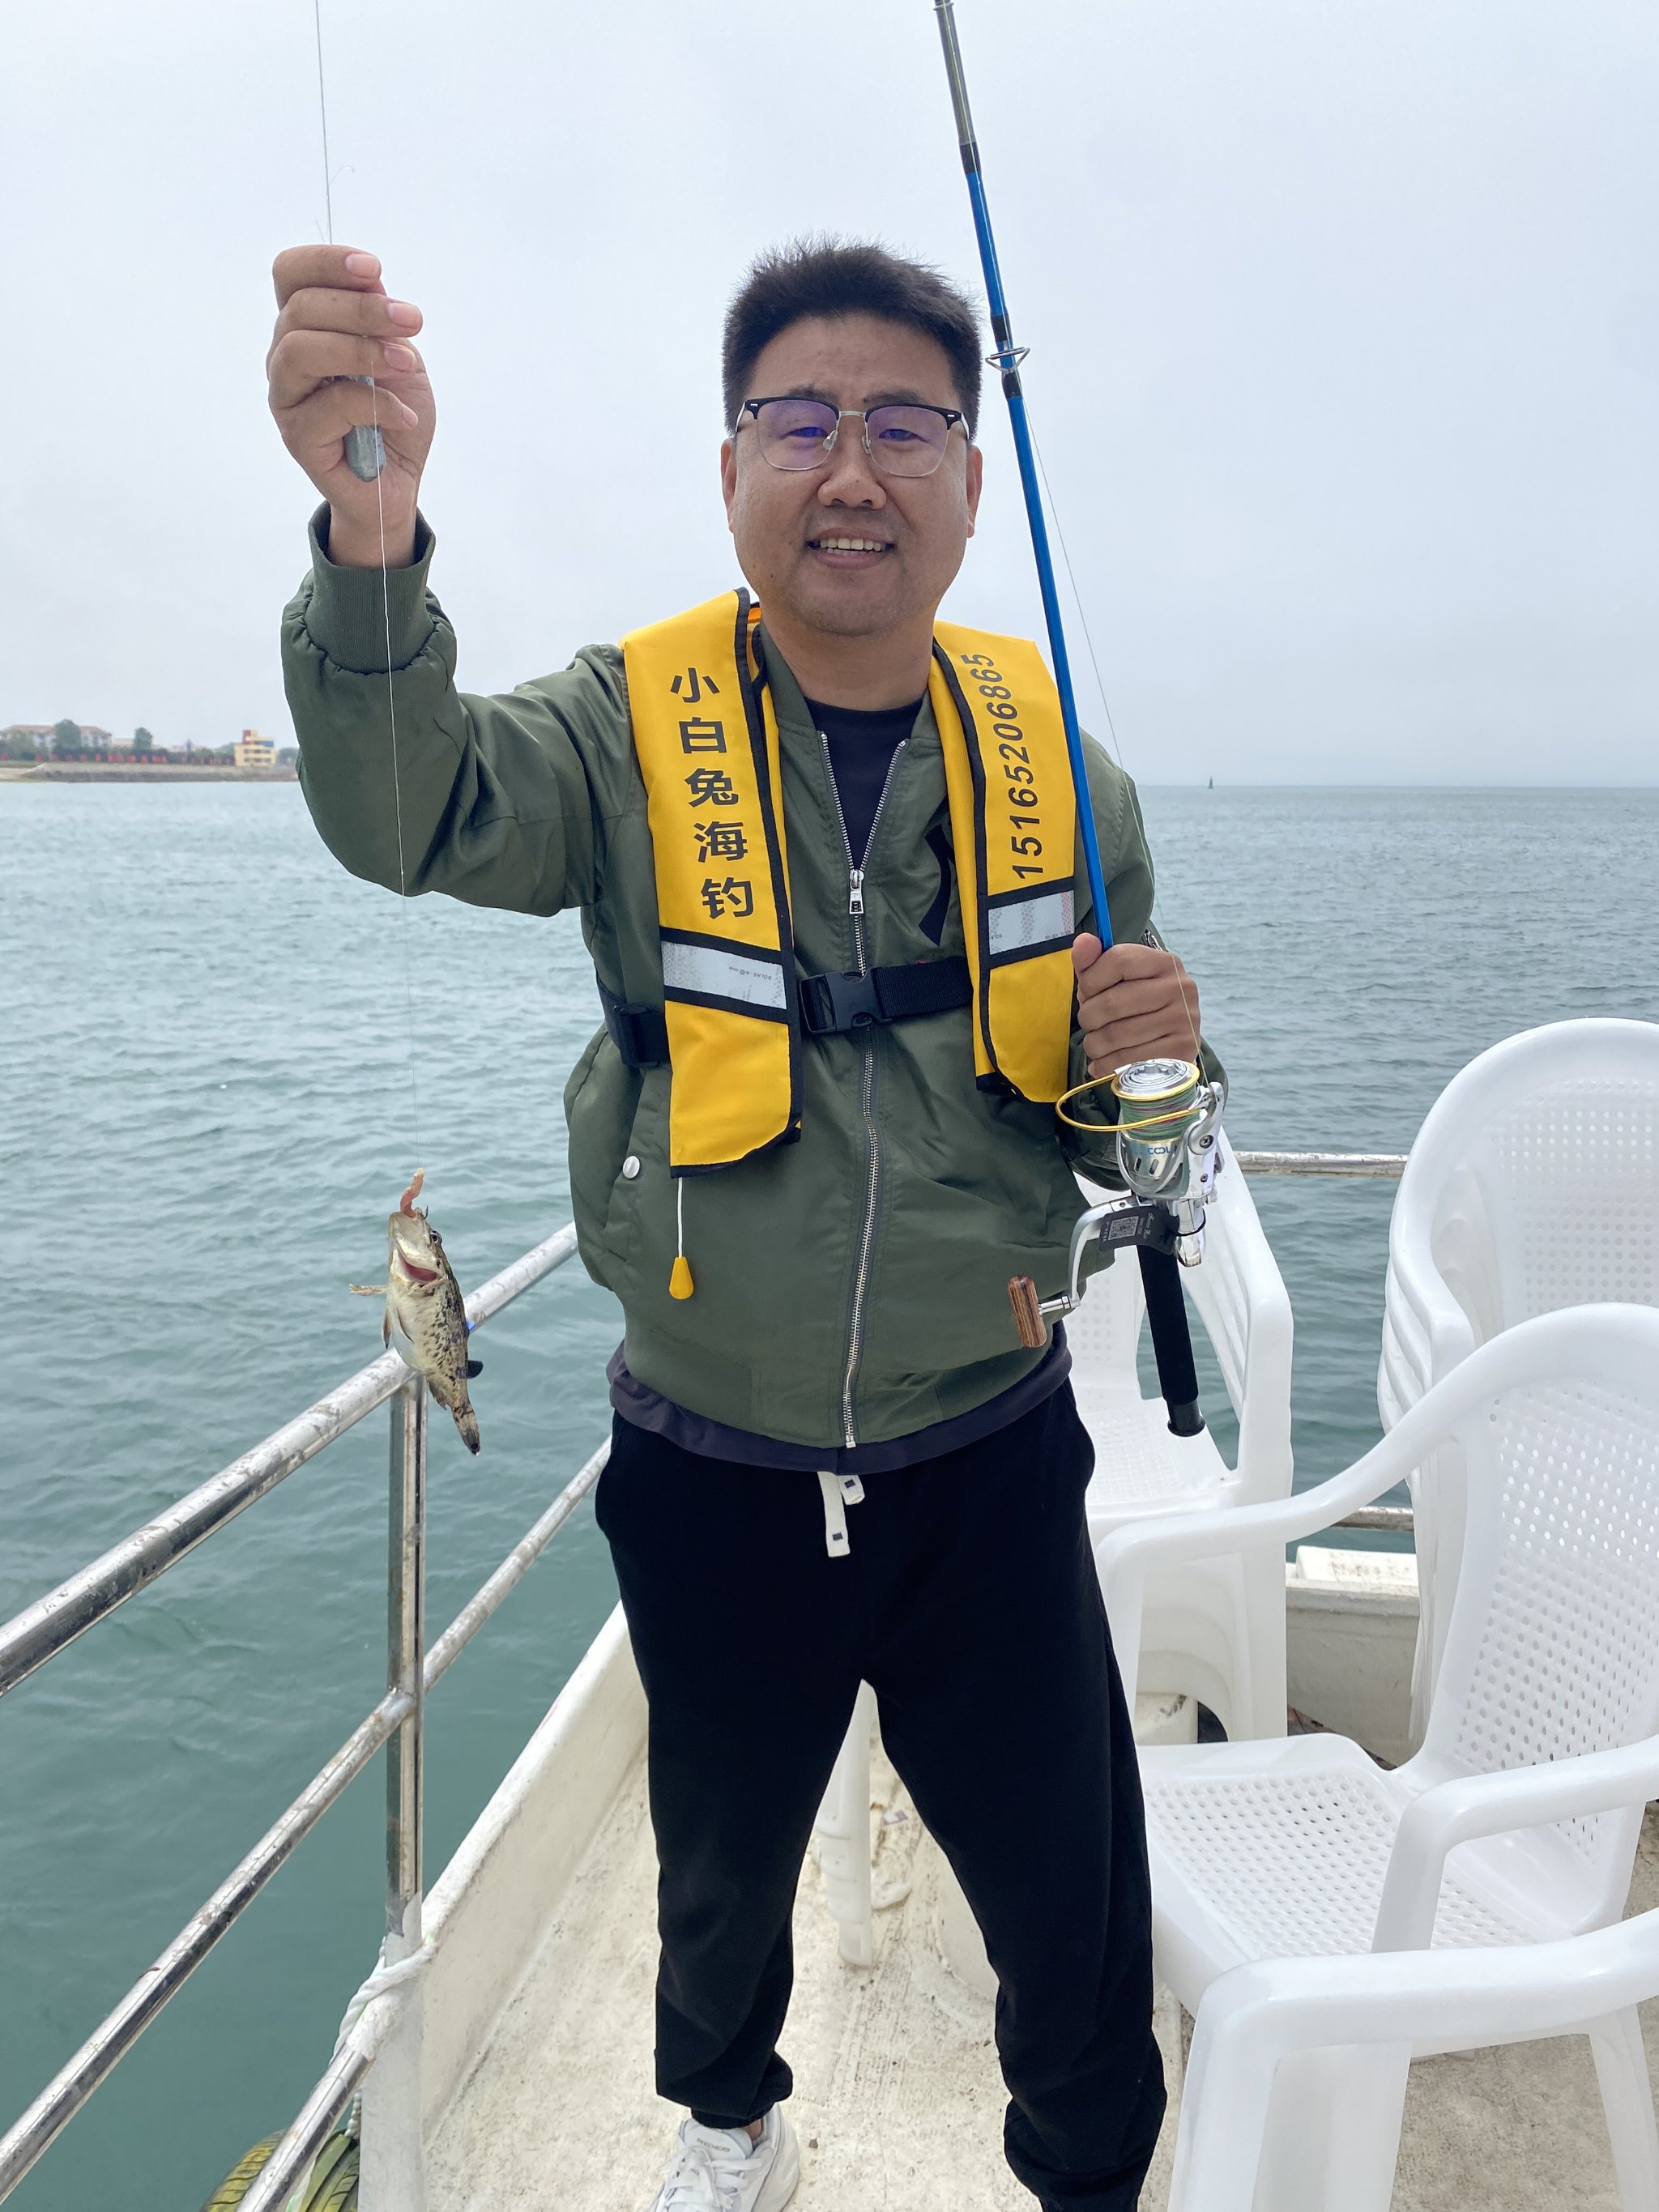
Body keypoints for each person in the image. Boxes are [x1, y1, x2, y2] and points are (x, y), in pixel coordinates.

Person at [267, 235, 1210, 2211]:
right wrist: (373, 543)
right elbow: (407, 810)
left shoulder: (1071, 777)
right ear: (731, 471)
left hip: (988, 1454)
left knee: (1070, 1891)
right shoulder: (623, 729)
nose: (849, 467)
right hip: (709, 1457)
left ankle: (1092, 2179)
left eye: (902, 422)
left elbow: (1138, 1153)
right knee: (715, 1859)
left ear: (965, 473)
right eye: (801, 418)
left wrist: (1161, 1075)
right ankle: (730, 2125)